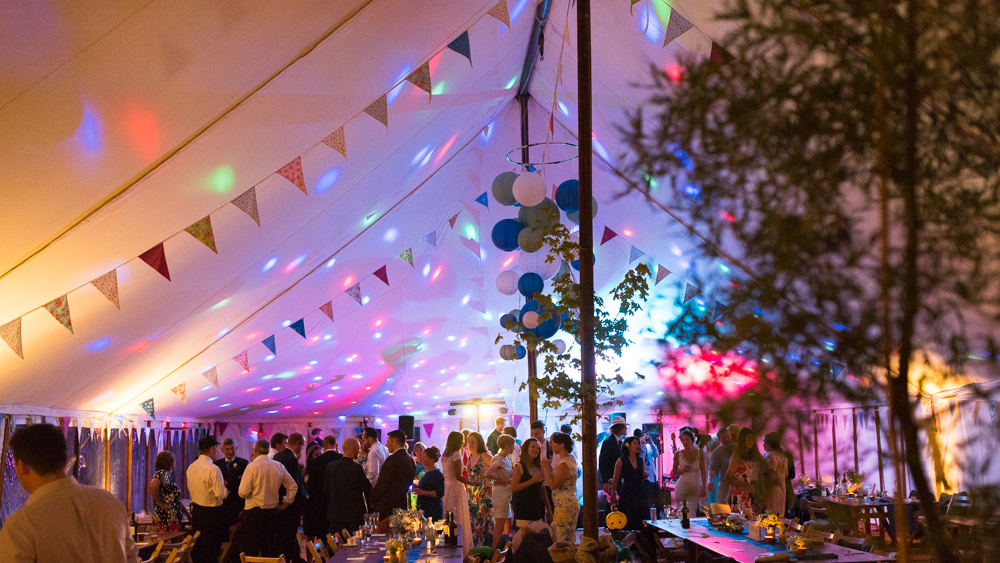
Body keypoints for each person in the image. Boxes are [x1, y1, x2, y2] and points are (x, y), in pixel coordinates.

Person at [0, 423, 137, 562]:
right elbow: (131, 558)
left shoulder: (21, 526)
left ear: (22, 466)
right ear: (63, 458)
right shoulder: (109, 503)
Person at [239, 438, 297, 557]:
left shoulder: (251, 467)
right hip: (271, 513)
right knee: (270, 549)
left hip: (253, 513)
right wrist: (286, 503)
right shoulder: (278, 466)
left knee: (251, 550)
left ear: (255, 451)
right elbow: (293, 486)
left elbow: (242, 492)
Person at [187, 435, 229, 563]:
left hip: (196, 512)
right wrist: (226, 488)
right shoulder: (213, 469)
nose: (217, 451)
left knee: (198, 547)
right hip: (211, 514)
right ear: (211, 449)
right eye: (216, 448)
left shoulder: (191, 467)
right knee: (211, 548)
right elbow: (221, 494)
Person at [326, 438, 372, 535]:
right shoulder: (357, 468)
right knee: (354, 542)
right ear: (353, 450)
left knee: (339, 543)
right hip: (353, 514)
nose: (360, 451)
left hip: (336, 513)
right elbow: (367, 488)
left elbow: (326, 488)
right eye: (358, 448)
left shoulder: (331, 467)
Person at [274, 432, 307, 563]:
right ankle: (288, 559)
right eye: (302, 446)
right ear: (298, 444)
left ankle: (294, 557)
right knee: (289, 535)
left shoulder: (277, 455)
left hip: (280, 501)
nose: (302, 449)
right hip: (291, 505)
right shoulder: (291, 459)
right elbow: (295, 483)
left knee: (285, 535)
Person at [304, 436, 343, 544]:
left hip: (321, 502)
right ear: (335, 445)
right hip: (338, 502)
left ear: (324, 446)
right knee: (337, 534)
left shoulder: (316, 462)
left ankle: (322, 559)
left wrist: (313, 501)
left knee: (322, 533)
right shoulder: (341, 458)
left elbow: (311, 486)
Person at [371, 429, 416, 517]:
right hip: (403, 503)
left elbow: (383, 484)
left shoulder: (392, 460)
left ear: (394, 442)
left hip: (388, 505)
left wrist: (372, 499)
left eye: (388, 441)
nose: (386, 445)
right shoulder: (411, 460)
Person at [442, 431, 474, 554]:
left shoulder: (445, 454)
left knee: (448, 514)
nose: (463, 443)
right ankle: (461, 548)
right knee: (459, 516)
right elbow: (458, 476)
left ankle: (450, 544)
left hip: (447, 486)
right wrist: (472, 483)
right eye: (461, 440)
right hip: (455, 487)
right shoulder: (456, 454)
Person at [511, 438, 551, 530]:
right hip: (523, 507)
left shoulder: (538, 467)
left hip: (537, 507)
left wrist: (548, 508)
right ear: (526, 449)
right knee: (525, 537)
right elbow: (513, 487)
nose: (536, 450)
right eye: (533, 447)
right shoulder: (519, 466)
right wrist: (532, 481)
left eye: (538, 448)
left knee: (538, 536)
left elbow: (542, 489)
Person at [610, 436, 647, 531]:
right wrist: (613, 492)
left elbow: (640, 476)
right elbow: (616, 477)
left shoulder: (640, 460)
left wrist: (644, 476)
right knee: (628, 515)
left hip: (640, 491)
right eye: (635, 443)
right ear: (628, 446)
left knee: (640, 516)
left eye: (638, 443)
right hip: (627, 491)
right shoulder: (621, 460)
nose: (638, 445)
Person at [485, 435, 515, 550]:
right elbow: (487, 474)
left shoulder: (506, 458)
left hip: (506, 494)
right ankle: (494, 553)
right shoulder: (498, 459)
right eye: (512, 446)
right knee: (500, 527)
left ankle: (503, 551)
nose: (513, 448)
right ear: (507, 446)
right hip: (501, 495)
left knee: (508, 525)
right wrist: (500, 481)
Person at [548, 432, 579, 543]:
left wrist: (545, 468)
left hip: (565, 505)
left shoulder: (565, 463)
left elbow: (554, 485)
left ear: (561, 445)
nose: (551, 445)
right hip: (566, 503)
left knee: (563, 539)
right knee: (566, 537)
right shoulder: (570, 459)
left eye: (554, 443)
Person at [466, 431, 494, 548]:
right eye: (469, 441)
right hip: (472, 494)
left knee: (483, 520)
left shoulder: (484, 456)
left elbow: (498, 468)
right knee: (473, 520)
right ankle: (476, 547)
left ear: (479, 443)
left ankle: (485, 548)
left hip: (483, 493)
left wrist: (490, 480)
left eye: (473, 442)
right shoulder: (470, 456)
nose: (471, 444)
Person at [150, 450, 190, 531]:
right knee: (167, 542)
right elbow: (153, 484)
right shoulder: (162, 474)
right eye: (173, 461)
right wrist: (159, 502)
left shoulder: (166, 477)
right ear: (169, 463)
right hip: (166, 518)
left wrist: (187, 514)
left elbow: (175, 500)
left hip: (171, 518)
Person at [726, 427, 762, 513]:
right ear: (742, 440)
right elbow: (728, 477)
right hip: (737, 493)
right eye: (748, 439)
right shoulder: (737, 456)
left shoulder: (745, 456)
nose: (751, 442)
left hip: (744, 494)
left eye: (752, 440)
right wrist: (744, 485)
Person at [599, 416, 627, 525]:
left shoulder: (620, 442)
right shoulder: (608, 442)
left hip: (618, 478)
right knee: (611, 501)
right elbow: (602, 462)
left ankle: (615, 523)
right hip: (611, 478)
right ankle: (608, 523)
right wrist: (605, 480)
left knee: (615, 501)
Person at [215, 438, 249, 526]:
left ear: (236, 448)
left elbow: (244, 481)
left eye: (232, 448)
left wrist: (228, 482)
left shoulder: (243, 463)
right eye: (227, 449)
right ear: (222, 450)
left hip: (238, 503)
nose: (230, 451)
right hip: (223, 504)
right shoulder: (217, 464)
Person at [671, 430, 706, 514]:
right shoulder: (678, 454)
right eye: (683, 440)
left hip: (694, 486)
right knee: (682, 512)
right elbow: (674, 472)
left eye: (687, 439)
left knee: (692, 512)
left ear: (692, 440)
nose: (685, 442)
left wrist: (704, 486)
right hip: (682, 486)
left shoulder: (699, 453)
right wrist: (681, 471)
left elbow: (703, 471)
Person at [412, 446, 445, 520]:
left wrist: (422, 492)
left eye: (424, 457)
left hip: (432, 509)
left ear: (432, 460)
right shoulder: (426, 472)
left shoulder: (437, 474)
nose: (422, 459)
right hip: (425, 507)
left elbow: (440, 493)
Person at [635, 429, 661, 518]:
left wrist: (651, 443)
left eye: (645, 436)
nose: (645, 438)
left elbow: (656, 454)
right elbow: (640, 459)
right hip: (645, 478)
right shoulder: (637, 448)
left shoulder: (649, 445)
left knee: (658, 500)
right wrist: (641, 445)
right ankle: (649, 518)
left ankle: (658, 516)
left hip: (653, 476)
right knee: (648, 500)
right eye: (642, 436)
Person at [762, 432, 789, 516]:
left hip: (771, 490)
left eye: (764, 441)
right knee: (779, 515)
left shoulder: (769, 455)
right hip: (781, 489)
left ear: (768, 443)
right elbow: (786, 474)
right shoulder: (783, 457)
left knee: (770, 516)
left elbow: (770, 471)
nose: (763, 444)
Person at [707, 427, 734, 505]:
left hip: (739, 482)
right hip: (725, 483)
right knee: (723, 508)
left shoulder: (737, 448)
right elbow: (712, 468)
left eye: (727, 436)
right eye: (723, 437)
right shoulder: (717, 452)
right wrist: (709, 480)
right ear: (719, 439)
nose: (726, 439)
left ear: (730, 435)